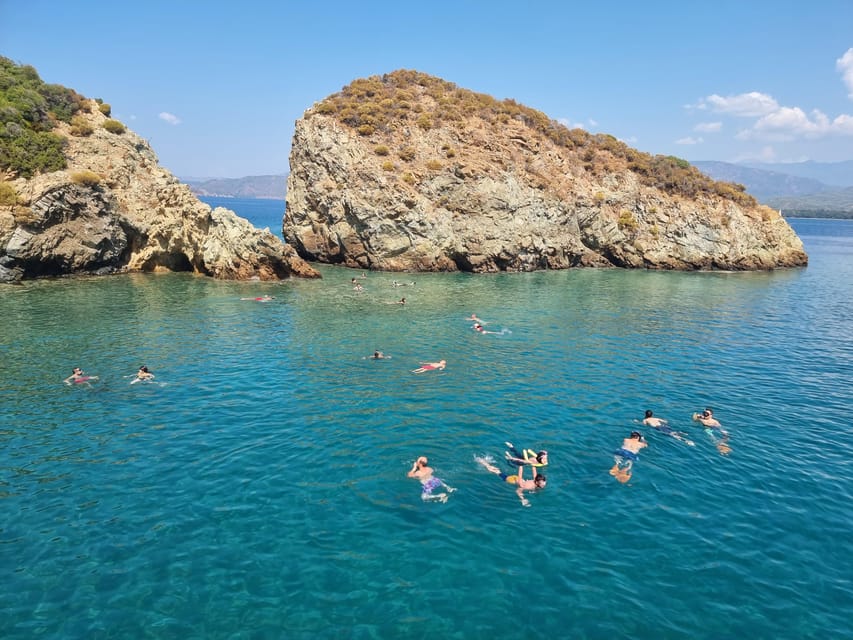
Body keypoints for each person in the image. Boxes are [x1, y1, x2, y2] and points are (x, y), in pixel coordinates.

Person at [477, 457, 546, 507]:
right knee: (498, 472)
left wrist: (534, 463)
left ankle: (487, 464)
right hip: (512, 480)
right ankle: (484, 463)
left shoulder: (536, 479)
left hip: (519, 479)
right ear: (537, 482)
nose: (544, 484)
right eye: (542, 483)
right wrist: (523, 499)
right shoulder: (528, 486)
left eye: (544, 482)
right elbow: (518, 490)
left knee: (499, 472)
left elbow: (534, 470)